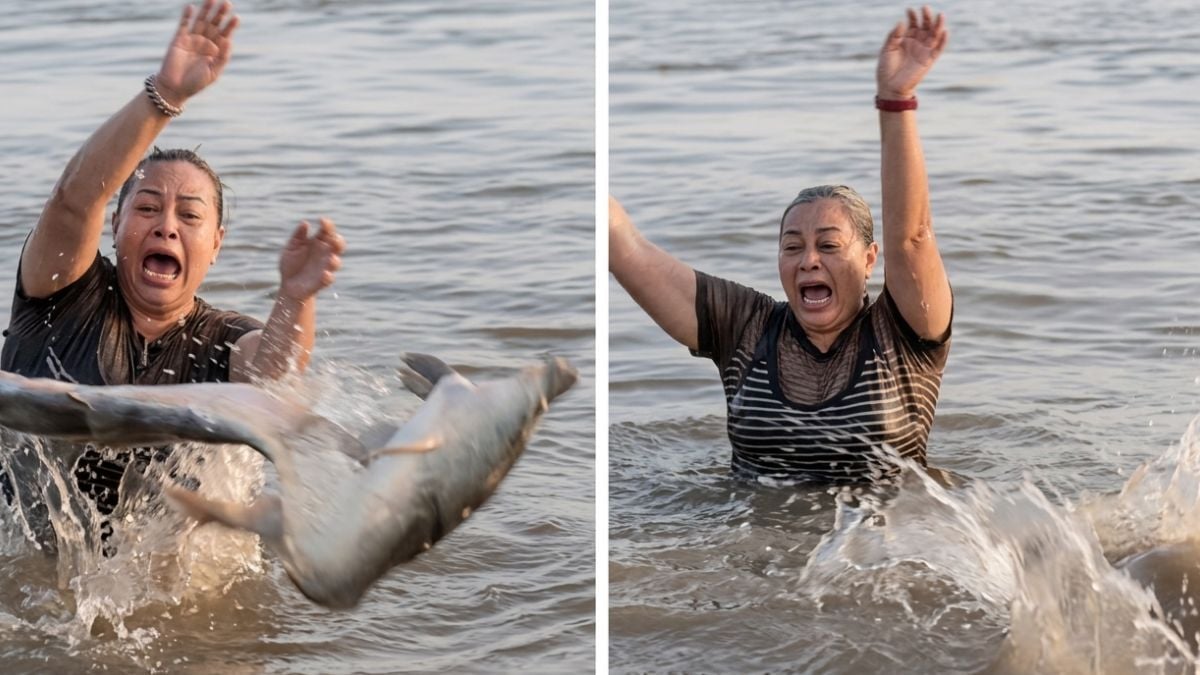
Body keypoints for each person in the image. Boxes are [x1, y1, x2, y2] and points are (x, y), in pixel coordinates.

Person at [0, 1, 345, 520]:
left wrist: (295, 299)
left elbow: (272, 379)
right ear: (114, 226)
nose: (167, 226)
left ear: (216, 244)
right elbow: (74, 199)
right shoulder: (62, 296)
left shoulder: (220, 340)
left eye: (189, 215)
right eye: (146, 208)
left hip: (148, 556)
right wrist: (165, 96)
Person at [610, 7, 952, 483]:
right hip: (754, 528)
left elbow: (912, 238)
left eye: (828, 245)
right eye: (792, 247)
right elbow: (624, 247)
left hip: (884, 528)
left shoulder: (903, 334)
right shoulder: (744, 329)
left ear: (869, 258)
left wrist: (896, 100)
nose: (808, 260)